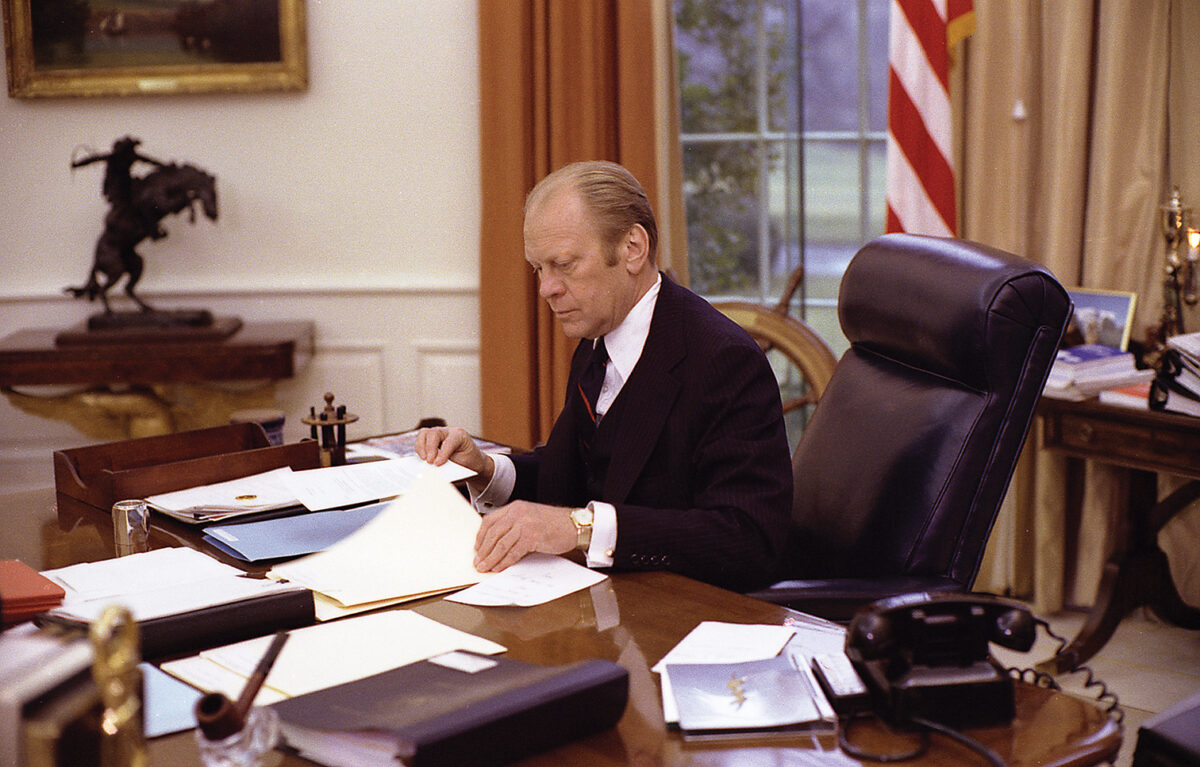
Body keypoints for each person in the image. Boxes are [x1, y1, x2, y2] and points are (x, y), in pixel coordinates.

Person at [416, 160, 792, 592]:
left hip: (684, 619)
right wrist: (485, 469)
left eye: (564, 264)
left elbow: (749, 539)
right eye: (539, 268)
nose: (546, 289)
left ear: (632, 247)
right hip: (608, 605)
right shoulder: (597, 341)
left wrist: (584, 528)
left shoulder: (723, 361)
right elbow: (577, 475)